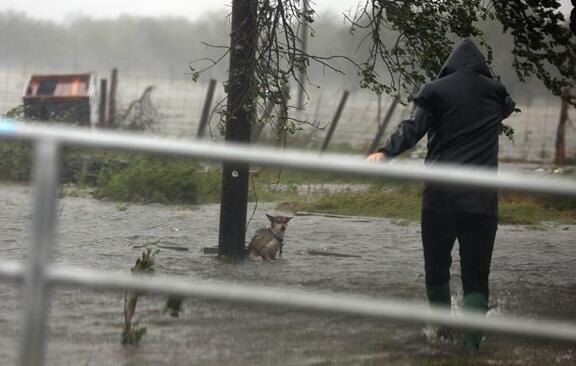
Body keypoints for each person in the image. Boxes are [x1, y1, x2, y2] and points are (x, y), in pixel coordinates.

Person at [367, 38, 515, 353]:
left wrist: (385, 152)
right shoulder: (496, 94)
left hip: (439, 199)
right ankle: (473, 348)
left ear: (448, 67)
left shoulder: (435, 91)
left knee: (437, 267)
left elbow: (412, 128)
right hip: (481, 202)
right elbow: (507, 108)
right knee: (476, 275)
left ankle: (441, 336)